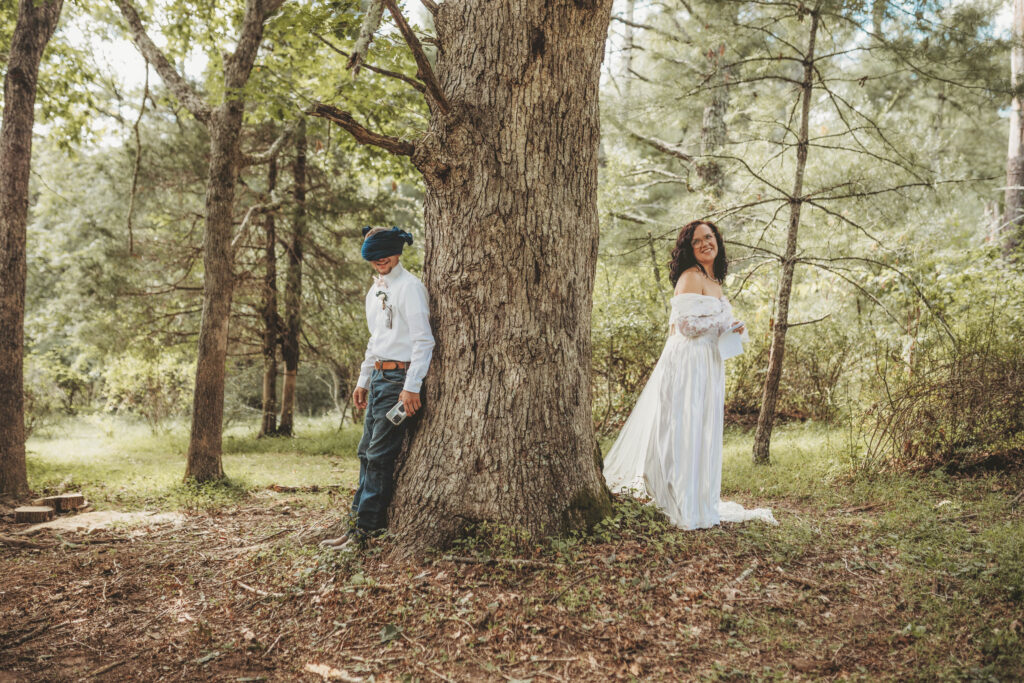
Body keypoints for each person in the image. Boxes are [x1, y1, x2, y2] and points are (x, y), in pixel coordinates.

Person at [602, 220, 776, 530]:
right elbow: (685, 326)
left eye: (709, 237)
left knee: (702, 428)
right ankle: (680, 500)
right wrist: (719, 324)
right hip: (688, 362)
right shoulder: (690, 277)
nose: (705, 243)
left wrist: (731, 328)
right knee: (684, 427)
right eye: (697, 241)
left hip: (708, 362)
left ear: (717, 240)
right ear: (689, 249)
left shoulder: (713, 280)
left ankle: (699, 499)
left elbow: (710, 322)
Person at [320, 226, 435, 550]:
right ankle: (355, 526)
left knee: (379, 456)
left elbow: (423, 341)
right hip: (379, 378)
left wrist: (412, 387)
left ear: (398, 252)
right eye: (373, 257)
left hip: (400, 382)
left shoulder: (410, 288)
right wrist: (363, 379)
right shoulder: (375, 291)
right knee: (364, 453)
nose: (380, 261)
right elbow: (377, 339)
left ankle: (365, 534)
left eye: (385, 254)